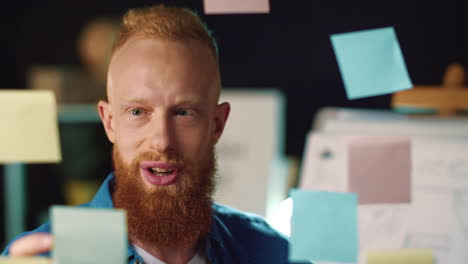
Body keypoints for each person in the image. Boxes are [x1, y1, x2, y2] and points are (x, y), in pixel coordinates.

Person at [2, 5, 293, 264]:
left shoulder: (272, 252)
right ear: (110, 122)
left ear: (217, 124)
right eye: (138, 112)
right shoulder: (43, 257)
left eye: (183, 113)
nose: (162, 140)